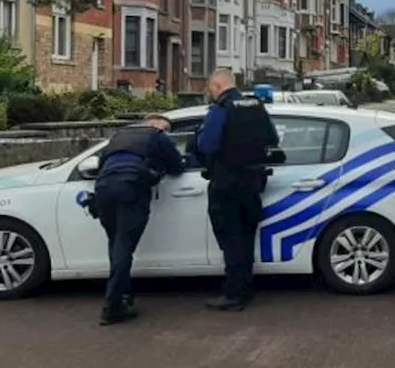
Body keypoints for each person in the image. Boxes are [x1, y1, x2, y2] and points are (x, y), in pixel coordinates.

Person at [196, 69, 280, 311]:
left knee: (230, 239)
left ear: (218, 85)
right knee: (246, 236)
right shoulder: (255, 105)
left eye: (212, 88)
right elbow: (272, 138)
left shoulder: (220, 109)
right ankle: (245, 288)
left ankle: (233, 294)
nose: (211, 93)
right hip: (253, 181)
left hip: (226, 182)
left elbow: (207, 145)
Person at [92, 113, 186, 324]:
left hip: (104, 188)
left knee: (116, 243)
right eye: (166, 130)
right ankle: (113, 306)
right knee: (124, 245)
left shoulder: (118, 136)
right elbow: (177, 167)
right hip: (131, 187)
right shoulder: (158, 136)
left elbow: (101, 164)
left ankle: (123, 296)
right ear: (160, 126)